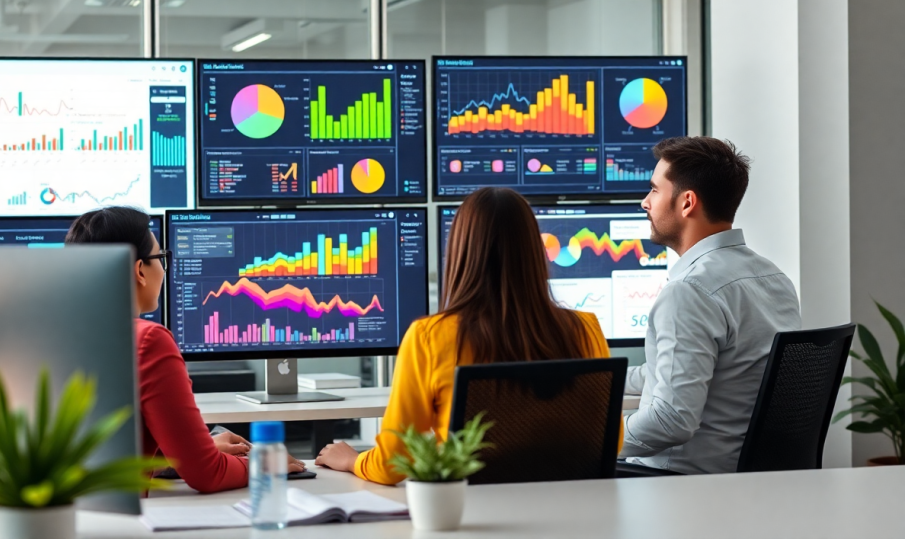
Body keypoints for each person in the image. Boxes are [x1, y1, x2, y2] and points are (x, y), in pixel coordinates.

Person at [315, 187, 615, 484]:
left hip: (475, 517)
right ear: (534, 252)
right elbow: (607, 442)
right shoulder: (584, 328)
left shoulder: (429, 337)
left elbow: (395, 461)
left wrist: (354, 460)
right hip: (572, 514)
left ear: (459, 252)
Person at [65, 206, 305, 493]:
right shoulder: (148, 340)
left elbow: (100, 458)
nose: (164, 269)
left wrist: (181, 456)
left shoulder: (58, 335)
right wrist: (266, 463)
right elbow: (208, 474)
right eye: (160, 257)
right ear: (139, 270)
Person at [621, 136, 801, 474]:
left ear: (687, 202)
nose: (645, 202)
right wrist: (596, 385)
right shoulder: (773, 278)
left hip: (675, 481)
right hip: (744, 479)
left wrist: (595, 437)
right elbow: (671, 370)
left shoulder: (689, 291)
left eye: (655, 190)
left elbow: (671, 421)